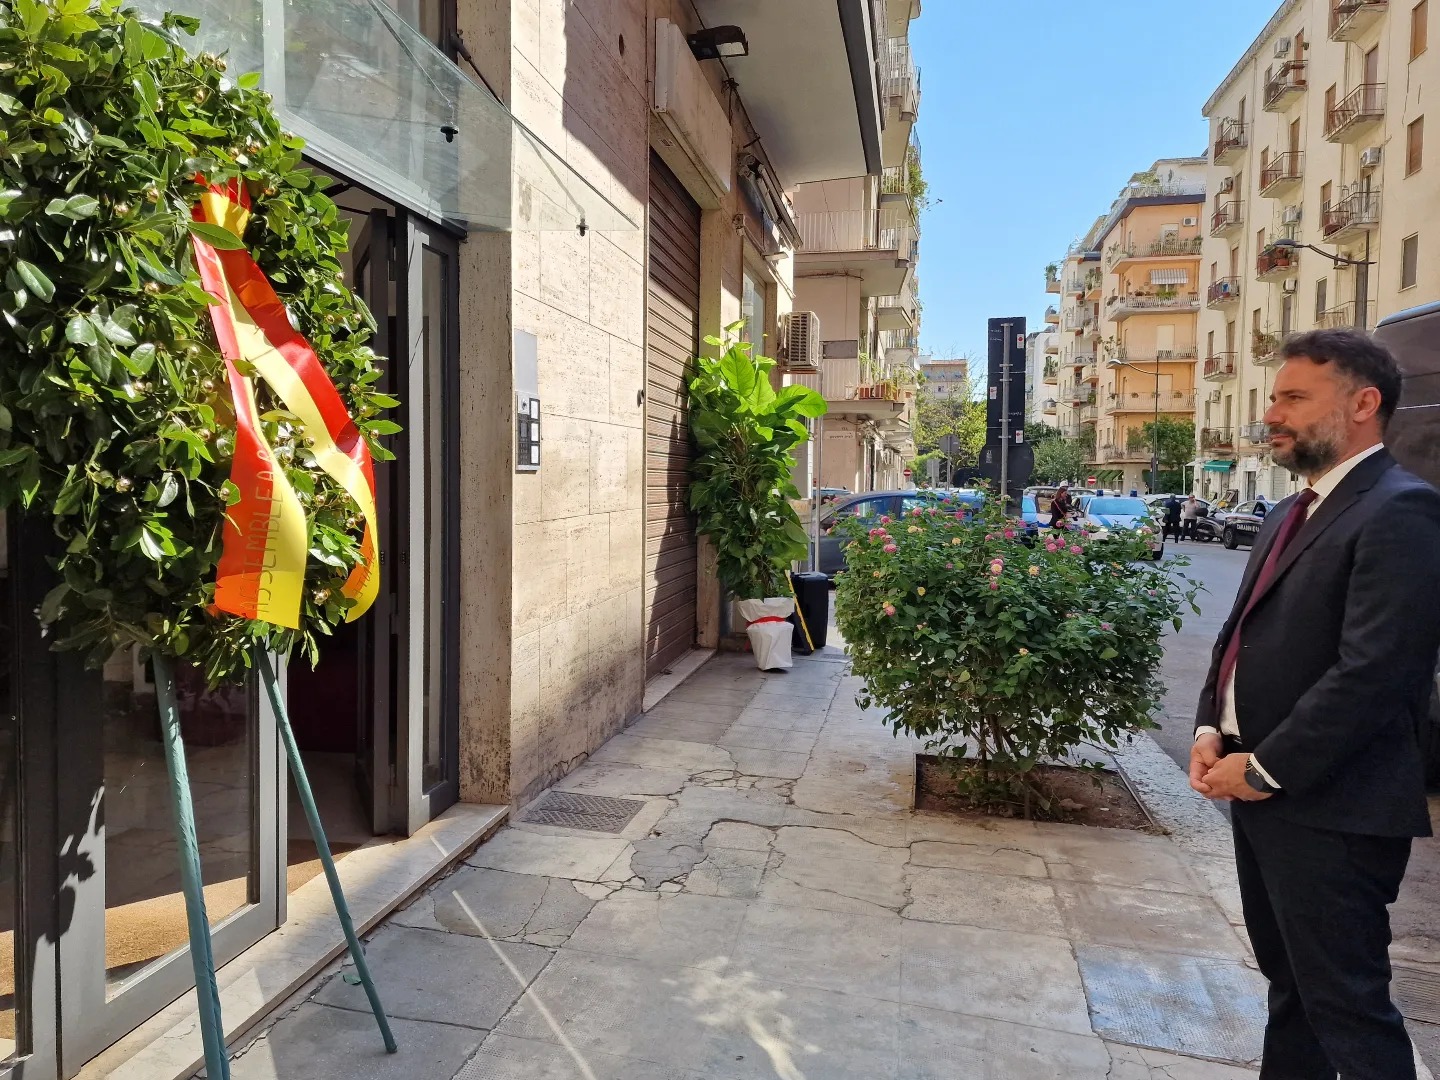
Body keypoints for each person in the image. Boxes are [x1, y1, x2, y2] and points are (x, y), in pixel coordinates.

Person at [1189, 328, 1440, 1080]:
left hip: (1333, 810)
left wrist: (1262, 769)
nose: (1274, 413)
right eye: (1275, 397)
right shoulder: (1287, 512)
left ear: (1364, 404)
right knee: (1291, 990)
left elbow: (1374, 675)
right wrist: (1210, 726)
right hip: (1261, 795)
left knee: (1348, 1007)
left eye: (1295, 398)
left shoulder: (1403, 511)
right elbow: (1239, 635)